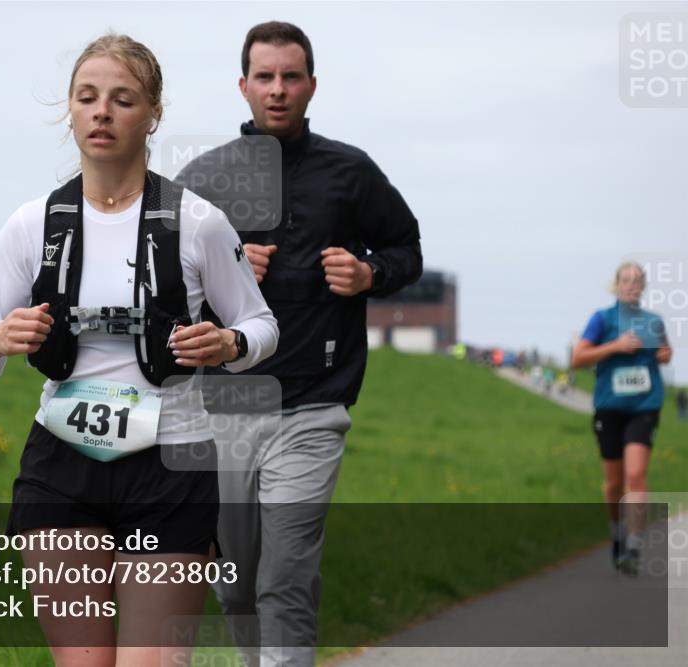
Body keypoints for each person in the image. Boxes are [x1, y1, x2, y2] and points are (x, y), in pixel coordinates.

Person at [0, 34, 279, 666]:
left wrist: (228, 342)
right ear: (70, 112)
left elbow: (261, 327)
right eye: (87, 97)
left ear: (153, 114)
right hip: (61, 466)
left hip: (172, 467)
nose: (102, 111)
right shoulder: (33, 224)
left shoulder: (200, 222)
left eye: (122, 99)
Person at [176, 21, 422, 667]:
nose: (278, 90)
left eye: (291, 76)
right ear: (243, 85)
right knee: (234, 587)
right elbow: (165, 295)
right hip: (222, 410)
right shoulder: (203, 179)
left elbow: (407, 248)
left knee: (283, 578)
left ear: (311, 84)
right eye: (265, 77)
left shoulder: (350, 171)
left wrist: (371, 273)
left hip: (313, 407)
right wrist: (218, 275)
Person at [571, 261, 673, 575]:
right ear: (616, 285)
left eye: (637, 281)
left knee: (636, 474)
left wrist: (662, 354)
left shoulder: (653, 321)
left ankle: (634, 545)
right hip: (610, 407)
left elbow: (666, 351)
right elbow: (578, 358)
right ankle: (616, 532)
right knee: (614, 484)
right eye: (625, 280)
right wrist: (615, 346)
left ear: (642, 287)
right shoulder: (601, 319)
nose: (631, 285)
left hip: (644, 406)